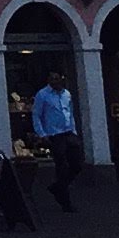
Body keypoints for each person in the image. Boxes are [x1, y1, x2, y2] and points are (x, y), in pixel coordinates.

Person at [31, 75, 85, 213]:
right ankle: (65, 202)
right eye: (52, 79)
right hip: (54, 135)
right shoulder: (42, 95)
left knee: (77, 164)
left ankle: (58, 187)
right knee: (61, 166)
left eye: (57, 79)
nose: (55, 81)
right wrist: (42, 134)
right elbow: (36, 114)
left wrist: (74, 131)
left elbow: (70, 113)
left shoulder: (67, 94)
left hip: (68, 133)